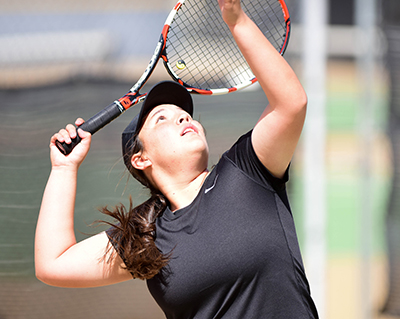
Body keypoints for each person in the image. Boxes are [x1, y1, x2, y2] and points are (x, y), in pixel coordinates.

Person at [35, 0, 319, 317]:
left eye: (185, 114)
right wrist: (64, 168)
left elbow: (291, 104)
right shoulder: (146, 235)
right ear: (140, 159)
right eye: (162, 119)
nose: (184, 118)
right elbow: (53, 264)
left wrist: (236, 20)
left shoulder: (246, 172)